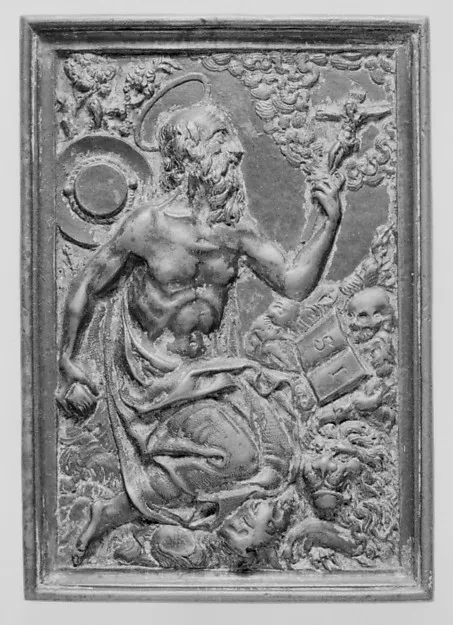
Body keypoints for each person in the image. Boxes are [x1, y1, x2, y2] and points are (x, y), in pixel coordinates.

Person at [57, 98, 344, 565]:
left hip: (208, 368)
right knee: (240, 460)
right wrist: (68, 361)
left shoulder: (234, 232)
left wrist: (329, 223)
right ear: (191, 154)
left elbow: (293, 283)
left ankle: (220, 528)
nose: (236, 151)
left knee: (280, 459)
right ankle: (112, 511)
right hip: (157, 376)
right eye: (221, 139)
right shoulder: (148, 226)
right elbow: (87, 286)